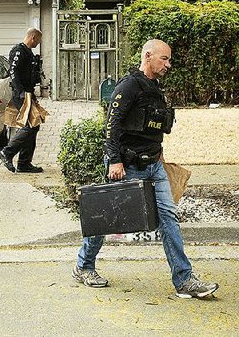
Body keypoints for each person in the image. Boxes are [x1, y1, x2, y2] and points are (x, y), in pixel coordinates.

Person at [72, 39, 220, 299]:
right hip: (126, 165)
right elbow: (112, 125)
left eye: (169, 59)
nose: (168, 64)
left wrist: (159, 153)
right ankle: (84, 265)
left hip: (153, 166)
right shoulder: (128, 86)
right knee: (108, 220)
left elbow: (153, 125)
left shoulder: (154, 88)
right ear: (148, 56)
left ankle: (184, 281)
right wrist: (114, 159)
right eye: (164, 59)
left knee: (168, 219)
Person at [0, 28, 45, 173]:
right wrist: (21, 92)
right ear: (32, 37)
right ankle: (7, 153)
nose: (38, 43)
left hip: (29, 93)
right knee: (30, 127)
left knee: (34, 124)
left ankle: (24, 163)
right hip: (22, 95)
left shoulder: (29, 53)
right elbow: (13, 72)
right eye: (38, 40)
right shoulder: (18, 50)